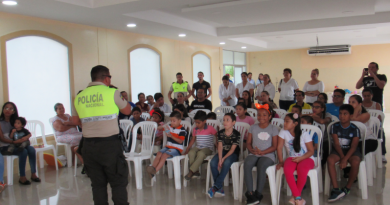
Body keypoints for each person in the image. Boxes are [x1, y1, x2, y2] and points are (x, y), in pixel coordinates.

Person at [72, 65, 131, 205]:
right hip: (109, 146)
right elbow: (128, 110)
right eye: (110, 77)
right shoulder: (112, 92)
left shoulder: (79, 96)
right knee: (118, 182)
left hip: (88, 146)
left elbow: (75, 120)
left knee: (97, 184)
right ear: (106, 78)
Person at [276, 113, 314, 205]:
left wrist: (301, 158)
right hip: (292, 158)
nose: (284, 123)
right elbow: (279, 148)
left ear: (295, 123)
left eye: (287, 121)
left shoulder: (304, 134)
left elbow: (311, 151)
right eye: (284, 121)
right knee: (287, 170)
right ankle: (298, 198)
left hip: (306, 158)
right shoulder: (283, 132)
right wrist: (281, 162)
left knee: (302, 169)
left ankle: (295, 197)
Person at [244, 105, 278, 205]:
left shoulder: (273, 128)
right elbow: (248, 143)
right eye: (259, 115)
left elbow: (275, 146)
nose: (261, 117)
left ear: (270, 116)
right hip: (254, 153)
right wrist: (251, 150)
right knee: (247, 163)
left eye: (264, 115)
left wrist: (263, 152)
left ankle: (258, 193)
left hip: (268, 155)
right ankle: (250, 193)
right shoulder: (253, 127)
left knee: (262, 166)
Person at [0, 102, 40, 186]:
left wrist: (25, 138)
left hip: (17, 144)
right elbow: (2, 138)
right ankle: (22, 176)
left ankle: (33, 174)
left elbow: (24, 133)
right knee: (23, 151)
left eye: (11, 109)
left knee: (31, 149)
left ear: (14, 111)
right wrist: (14, 142)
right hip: (5, 147)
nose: (8, 110)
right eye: (6, 108)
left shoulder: (15, 122)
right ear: (3, 109)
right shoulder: (0, 122)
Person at [327, 104, 361, 202]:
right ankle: (336, 189)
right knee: (330, 160)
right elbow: (337, 144)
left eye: (345, 114)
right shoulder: (334, 126)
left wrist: (345, 159)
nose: (342, 116)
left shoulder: (355, 129)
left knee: (355, 162)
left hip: (351, 151)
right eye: (340, 113)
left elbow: (354, 146)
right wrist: (342, 157)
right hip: (338, 151)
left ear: (351, 116)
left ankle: (347, 188)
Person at [208, 113, 240, 198]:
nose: (225, 122)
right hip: (222, 152)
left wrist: (223, 159)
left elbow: (233, 150)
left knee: (226, 162)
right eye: (224, 120)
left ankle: (215, 186)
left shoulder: (236, 133)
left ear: (233, 122)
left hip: (233, 154)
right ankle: (219, 188)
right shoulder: (220, 133)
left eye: (228, 120)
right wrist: (219, 158)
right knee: (213, 163)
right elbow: (220, 146)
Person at [146, 111, 186, 178]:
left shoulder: (182, 130)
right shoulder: (169, 127)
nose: (172, 122)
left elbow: (180, 141)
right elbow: (159, 128)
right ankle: (152, 168)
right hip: (168, 147)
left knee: (164, 155)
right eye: (171, 121)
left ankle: (154, 171)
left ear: (179, 121)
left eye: (174, 121)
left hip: (177, 149)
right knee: (159, 153)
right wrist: (157, 126)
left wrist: (171, 136)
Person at [183, 111, 217, 180]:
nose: (197, 124)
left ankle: (191, 171)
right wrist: (187, 149)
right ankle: (196, 171)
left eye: (198, 122)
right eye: (196, 122)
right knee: (191, 152)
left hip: (208, 148)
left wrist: (217, 146)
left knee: (200, 153)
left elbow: (217, 136)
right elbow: (193, 139)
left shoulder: (210, 128)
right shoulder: (195, 129)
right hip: (198, 147)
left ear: (204, 121)